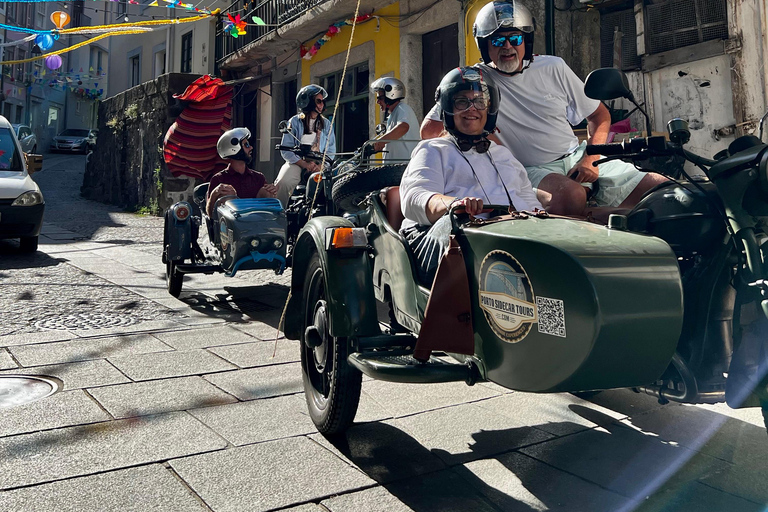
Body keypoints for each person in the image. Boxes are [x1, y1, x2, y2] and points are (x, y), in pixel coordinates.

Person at [419, 0, 666, 217]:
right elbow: (429, 129)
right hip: (531, 171)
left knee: (663, 189)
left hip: (578, 156)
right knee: (570, 197)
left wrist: (591, 158)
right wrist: (489, 138)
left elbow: (599, 115)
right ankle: (611, 222)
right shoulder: (476, 80)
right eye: (496, 40)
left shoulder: (553, 67)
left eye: (514, 38)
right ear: (485, 46)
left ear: (526, 40)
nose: (507, 47)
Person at [400, 66, 542, 285]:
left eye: (479, 101)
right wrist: (455, 205)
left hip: (507, 245)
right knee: (460, 225)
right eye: (461, 102)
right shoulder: (432, 149)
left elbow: (529, 202)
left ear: (489, 108)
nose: (471, 109)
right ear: (448, 108)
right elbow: (414, 198)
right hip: (453, 245)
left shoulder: (503, 155)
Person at [276, 84, 336, 207]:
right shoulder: (294, 121)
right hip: (297, 163)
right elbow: (286, 150)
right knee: (283, 183)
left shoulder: (327, 124)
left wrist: (321, 165)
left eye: (322, 101)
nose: (321, 104)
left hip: (320, 165)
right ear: (308, 102)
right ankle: (279, 214)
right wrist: (304, 164)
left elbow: (331, 150)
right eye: (318, 101)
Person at [206, 127, 277, 217]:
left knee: (268, 192)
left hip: (258, 226)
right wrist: (215, 193)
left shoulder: (258, 177)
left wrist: (271, 190)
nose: (251, 147)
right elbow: (210, 214)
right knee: (227, 194)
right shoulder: (219, 179)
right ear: (234, 148)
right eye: (246, 145)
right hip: (229, 229)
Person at [370, 77, 420, 162]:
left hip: (403, 169)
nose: (377, 102)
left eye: (380, 98)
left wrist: (381, 141)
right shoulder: (393, 115)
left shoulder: (403, 108)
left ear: (391, 95)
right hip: (394, 170)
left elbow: (403, 127)